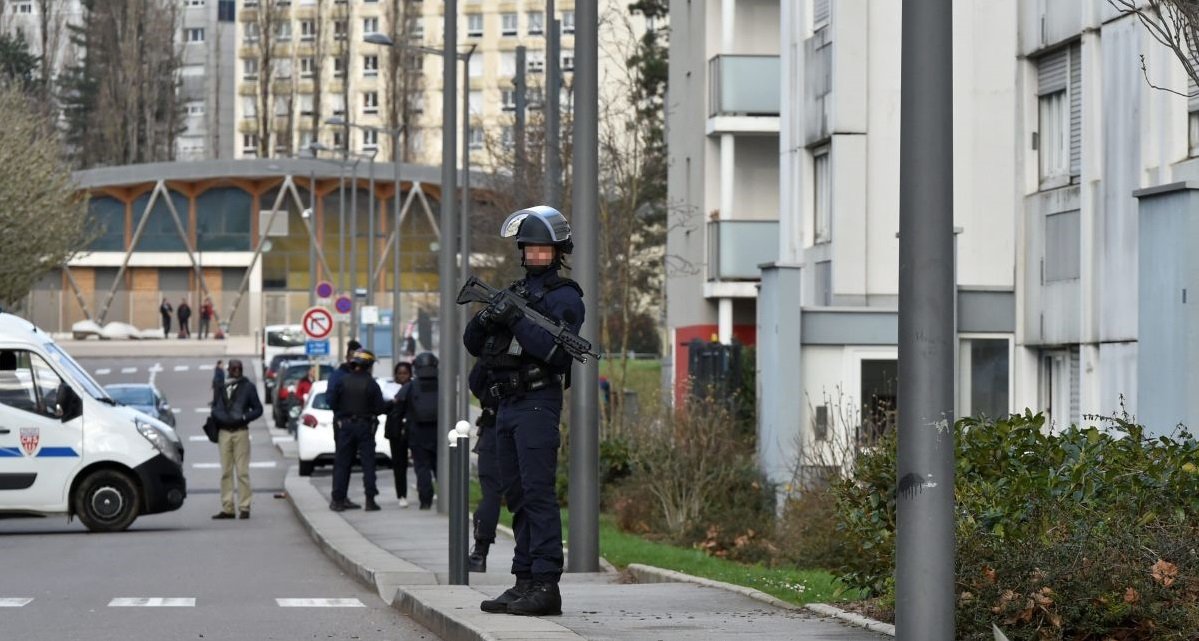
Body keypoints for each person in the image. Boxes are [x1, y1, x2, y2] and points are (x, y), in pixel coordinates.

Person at [464, 206, 585, 617]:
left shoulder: (566, 298)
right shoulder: (515, 292)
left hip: (538, 402)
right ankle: (524, 580)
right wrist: (488, 317)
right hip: (506, 405)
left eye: (542, 249)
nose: (534, 255)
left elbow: (553, 352)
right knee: (515, 496)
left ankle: (547, 583)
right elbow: (474, 343)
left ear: (558, 251)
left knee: (538, 495)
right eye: (529, 249)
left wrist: (515, 318)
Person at [326, 349, 385, 512]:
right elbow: (379, 407)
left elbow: (331, 402)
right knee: (368, 464)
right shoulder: (371, 384)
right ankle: (370, 500)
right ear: (368, 365)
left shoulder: (341, 381)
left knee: (342, 463)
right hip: (365, 426)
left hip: (345, 426)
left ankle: (338, 500)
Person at [210, 359, 263, 520]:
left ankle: (244, 506)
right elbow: (215, 406)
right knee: (225, 471)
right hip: (224, 432)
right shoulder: (221, 387)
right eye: (233, 368)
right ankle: (228, 508)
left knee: (242, 471)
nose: (236, 371)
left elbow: (258, 409)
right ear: (229, 370)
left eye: (239, 368)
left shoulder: (248, 387)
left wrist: (245, 416)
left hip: (241, 431)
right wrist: (219, 417)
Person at [468, 360, 501, 573]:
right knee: (533, 495)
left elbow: (475, 382)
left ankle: (480, 553)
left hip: (494, 429)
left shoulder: (493, 349)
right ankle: (537, 560)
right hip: (531, 423)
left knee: (491, 494)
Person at [401, 352, 440, 510]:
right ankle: (446, 498)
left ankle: (425, 500)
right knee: (441, 467)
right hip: (439, 431)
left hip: (417, 432)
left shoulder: (411, 385)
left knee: (422, 468)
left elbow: (398, 401)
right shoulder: (443, 384)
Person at [384, 361, 413, 508]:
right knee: (399, 465)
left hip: (413, 430)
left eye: (405, 373)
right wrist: (393, 402)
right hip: (396, 432)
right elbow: (382, 407)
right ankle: (401, 494)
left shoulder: (414, 388)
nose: (402, 376)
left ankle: (425, 490)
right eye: (399, 373)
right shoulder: (388, 388)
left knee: (421, 461)